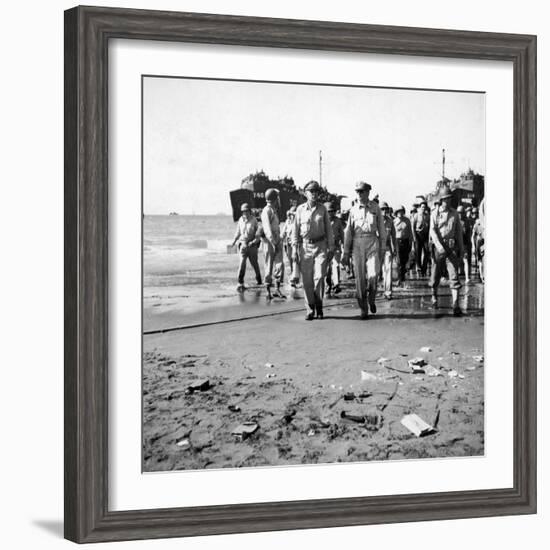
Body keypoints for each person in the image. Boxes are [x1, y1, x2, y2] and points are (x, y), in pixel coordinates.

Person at [342, 181, 386, 319]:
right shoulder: (353, 210)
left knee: (373, 274)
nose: (359, 194)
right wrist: (346, 251)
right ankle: (363, 308)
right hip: (357, 243)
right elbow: (348, 231)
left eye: (362, 191)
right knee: (359, 279)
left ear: (368, 192)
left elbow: (382, 230)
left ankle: (372, 299)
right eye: (357, 192)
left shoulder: (376, 208)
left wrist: (383, 248)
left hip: (372, 241)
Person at [292, 180, 335, 320]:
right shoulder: (299, 210)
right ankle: (310, 308)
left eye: (316, 191)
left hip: (321, 246)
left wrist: (331, 247)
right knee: (307, 281)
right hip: (305, 248)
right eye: (311, 191)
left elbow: (329, 229)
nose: (314, 194)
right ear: (306, 193)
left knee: (319, 277)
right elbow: (295, 231)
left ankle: (319, 304)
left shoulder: (322, 209)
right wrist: (294, 249)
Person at [429, 184, 464, 316]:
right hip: (438, 249)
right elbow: (432, 232)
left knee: (454, 275)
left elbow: (459, 233)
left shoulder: (455, 213)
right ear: (441, 200)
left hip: (451, 248)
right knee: (435, 275)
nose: (448, 201)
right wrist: (439, 247)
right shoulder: (434, 214)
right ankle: (434, 296)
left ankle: (455, 304)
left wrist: (461, 249)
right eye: (445, 199)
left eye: (449, 198)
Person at [229, 203, 262, 292]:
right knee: (242, 263)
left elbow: (258, 234)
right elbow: (238, 232)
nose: (245, 213)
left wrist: (254, 241)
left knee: (255, 264)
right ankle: (240, 282)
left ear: (249, 211)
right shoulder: (240, 220)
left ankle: (259, 280)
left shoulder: (254, 220)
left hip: (252, 246)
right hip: (242, 244)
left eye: (246, 211)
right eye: (243, 211)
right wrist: (234, 241)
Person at [261, 188, 285, 299]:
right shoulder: (267, 211)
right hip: (269, 241)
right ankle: (268, 291)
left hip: (276, 239)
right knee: (269, 265)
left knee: (280, 265)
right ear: (274, 199)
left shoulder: (273, 210)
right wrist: (273, 242)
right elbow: (267, 228)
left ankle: (277, 289)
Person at [325, 201, 345, 294]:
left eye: (332, 211)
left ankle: (336, 285)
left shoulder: (338, 221)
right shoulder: (322, 221)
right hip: (325, 247)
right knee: (327, 269)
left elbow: (342, 233)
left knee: (336, 265)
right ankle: (328, 285)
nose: (331, 213)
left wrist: (344, 244)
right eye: (329, 211)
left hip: (336, 246)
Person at [393, 205, 413, 286]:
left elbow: (410, 233)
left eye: (401, 211)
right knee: (399, 261)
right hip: (397, 242)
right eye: (398, 211)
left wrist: (411, 243)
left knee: (404, 260)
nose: (400, 213)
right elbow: (392, 234)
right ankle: (400, 279)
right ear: (396, 213)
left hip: (406, 241)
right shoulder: (394, 221)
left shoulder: (407, 220)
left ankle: (402, 276)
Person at [380, 201, 396, 299]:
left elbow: (393, 237)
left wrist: (395, 249)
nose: (384, 211)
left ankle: (388, 292)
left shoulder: (390, 221)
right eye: (382, 209)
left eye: (386, 209)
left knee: (388, 270)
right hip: (376, 249)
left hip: (387, 249)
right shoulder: (375, 221)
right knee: (375, 273)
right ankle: (372, 292)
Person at [412, 196, 431, 276]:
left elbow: (430, 226)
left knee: (427, 252)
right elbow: (413, 227)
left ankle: (424, 267)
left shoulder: (428, 216)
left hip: (425, 235)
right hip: (418, 235)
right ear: (420, 207)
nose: (423, 208)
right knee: (418, 252)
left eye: (425, 207)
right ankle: (419, 267)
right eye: (422, 207)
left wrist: (429, 237)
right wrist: (414, 237)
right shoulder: (416, 215)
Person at [281, 205, 299, 287]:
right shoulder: (287, 222)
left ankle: (295, 278)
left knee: (296, 260)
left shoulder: (298, 222)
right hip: (288, 244)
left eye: (294, 214)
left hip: (297, 244)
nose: (292, 216)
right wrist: (280, 239)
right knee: (290, 261)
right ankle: (293, 277)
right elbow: (283, 232)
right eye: (291, 214)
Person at [457, 205, 473, 283]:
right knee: (456, 261)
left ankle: (467, 277)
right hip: (456, 243)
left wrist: (469, 244)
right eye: (459, 213)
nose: (460, 214)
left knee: (465, 260)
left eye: (461, 213)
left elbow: (468, 233)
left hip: (465, 243)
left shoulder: (467, 221)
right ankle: (456, 277)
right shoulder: (455, 220)